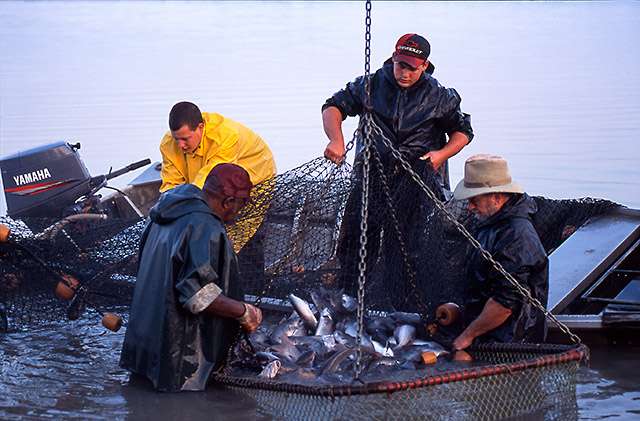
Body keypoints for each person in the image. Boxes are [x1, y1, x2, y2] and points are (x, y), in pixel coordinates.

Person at [321, 33, 474, 305]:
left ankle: (400, 303)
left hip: (414, 182)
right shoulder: (370, 84)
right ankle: (350, 298)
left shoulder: (440, 96)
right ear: (393, 58)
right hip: (370, 176)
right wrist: (336, 139)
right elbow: (333, 106)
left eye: (412, 68)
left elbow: (462, 132)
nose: (404, 72)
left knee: (406, 248)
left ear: (424, 66)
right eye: (400, 64)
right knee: (356, 239)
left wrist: (441, 155)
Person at [120, 163, 263, 392]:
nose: (241, 211)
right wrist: (244, 311)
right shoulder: (205, 226)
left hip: (141, 353)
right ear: (228, 202)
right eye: (241, 204)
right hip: (177, 366)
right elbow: (197, 296)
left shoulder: (162, 212)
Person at [451, 155, 549, 351]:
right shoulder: (491, 221)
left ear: (496, 196)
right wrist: (459, 312)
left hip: (511, 343)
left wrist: (466, 338)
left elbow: (505, 303)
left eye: (474, 200)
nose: (469, 207)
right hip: (485, 330)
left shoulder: (516, 236)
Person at [159, 101, 276, 193]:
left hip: (255, 179)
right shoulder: (168, 143)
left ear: (201, 127)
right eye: (176, 139)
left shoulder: (225, 137)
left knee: (231, 216)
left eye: (185, 139)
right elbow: (170, 183)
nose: (180, 145)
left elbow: (209, 180)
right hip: (206, 179)